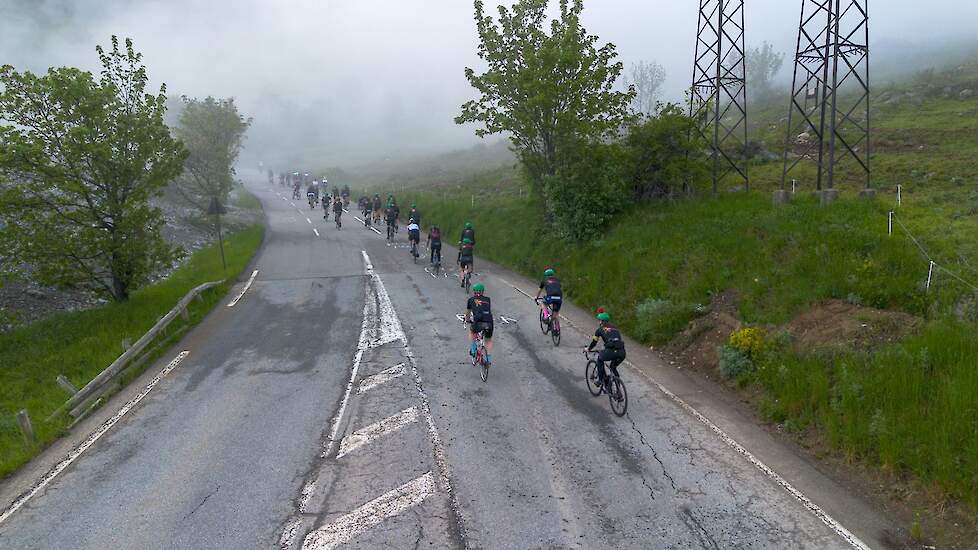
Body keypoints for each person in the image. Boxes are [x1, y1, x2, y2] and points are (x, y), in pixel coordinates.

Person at [586, 311, 626, 391]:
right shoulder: (615, 328)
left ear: (602, 321)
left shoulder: (599, 330)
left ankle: (601, 380)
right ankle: (618, 388)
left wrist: (588, 349)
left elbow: (594, 342)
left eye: (599, 320)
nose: (599, 322)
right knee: (613, 367)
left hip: (611, 351)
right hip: (622, 352)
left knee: (600, 359)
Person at [466, 283, 493, 365]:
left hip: (478, 322)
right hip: (489, 322)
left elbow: (468, 313)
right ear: (483, 291)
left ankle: (473, 348)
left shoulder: (470, 300)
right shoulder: (488, 299)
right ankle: (488, 359)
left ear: (474, 291)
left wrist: (467, 320)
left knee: (472, 331)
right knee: (488, 340)